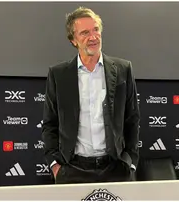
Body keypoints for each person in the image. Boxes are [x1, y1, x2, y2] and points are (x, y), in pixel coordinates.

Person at [42, 6, 140, 184]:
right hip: (73, 170)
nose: (93, 37)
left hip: (115, 169)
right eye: (85, 33)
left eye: (96, 30)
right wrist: (56, 166)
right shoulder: (59, 75)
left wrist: (130, 161)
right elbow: (50, 123)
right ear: (73, 40)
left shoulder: (123, 70)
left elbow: (132, 119)